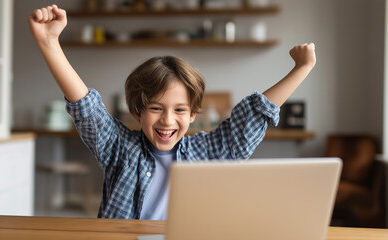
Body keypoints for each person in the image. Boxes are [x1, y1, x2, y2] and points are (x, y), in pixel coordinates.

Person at [28, 5, 316, 220]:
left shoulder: (208, 152)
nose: (167, 120)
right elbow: (86, 108)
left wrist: (301, 69)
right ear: (137, 110)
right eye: (155, 108)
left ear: (193, 114)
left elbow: (253, 116)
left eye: (180, 110)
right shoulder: (120, 149)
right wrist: (49, 43)